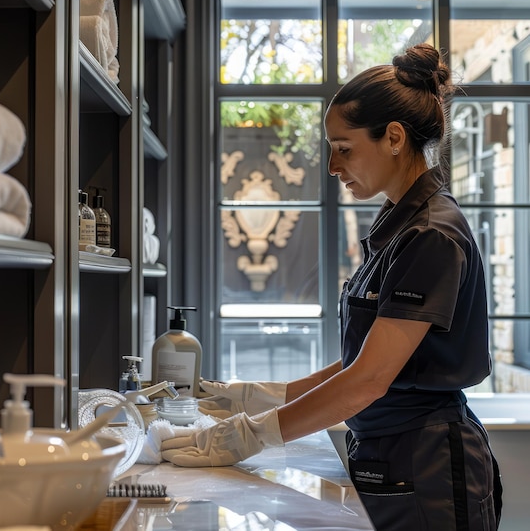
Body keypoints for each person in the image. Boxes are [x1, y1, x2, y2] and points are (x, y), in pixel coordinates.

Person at [160, 43, 503, 530]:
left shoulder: (429, 234)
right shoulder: (398, 225)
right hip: (391, 457)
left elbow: (369, 379)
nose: (332, 167)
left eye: (344, 149)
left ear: (394, 138)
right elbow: (369, 360)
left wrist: (247, 435)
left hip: (425, 465)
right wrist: (261, 395)